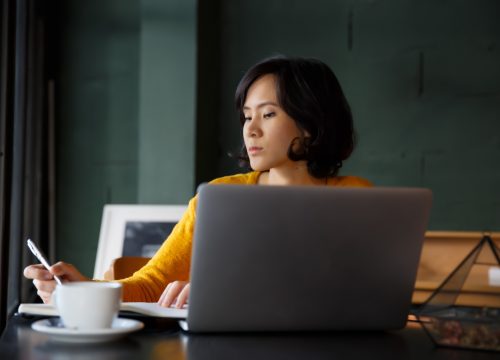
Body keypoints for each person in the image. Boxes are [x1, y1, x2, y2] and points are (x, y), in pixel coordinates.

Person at [24, 55, 372, 309]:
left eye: (268, 114)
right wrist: (84, 290)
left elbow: (361, 291)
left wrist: (226, 291)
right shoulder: (221, 197)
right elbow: (150, 286)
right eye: (246, 116)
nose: (251, 129)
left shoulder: (357, 197)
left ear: (310, 123)